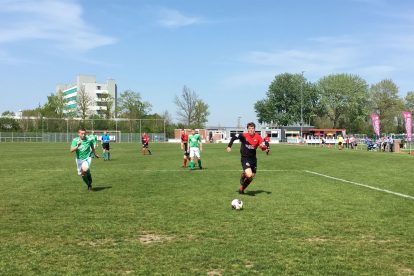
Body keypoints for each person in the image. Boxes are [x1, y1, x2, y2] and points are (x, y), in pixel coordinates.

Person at [227, 122, 268, 194]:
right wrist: (229, 146)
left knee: (251, 177)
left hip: (253, 159)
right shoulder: (243, 135)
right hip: (245, 158)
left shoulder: (258, 137)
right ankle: (243, 175)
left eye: (252, 128)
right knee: (249, 175)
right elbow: (233, 137)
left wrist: (264, 147)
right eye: (249, 128)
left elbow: (263, 148)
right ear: (247, 129)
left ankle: (241, 189)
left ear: (254, 129)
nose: (251, 130)